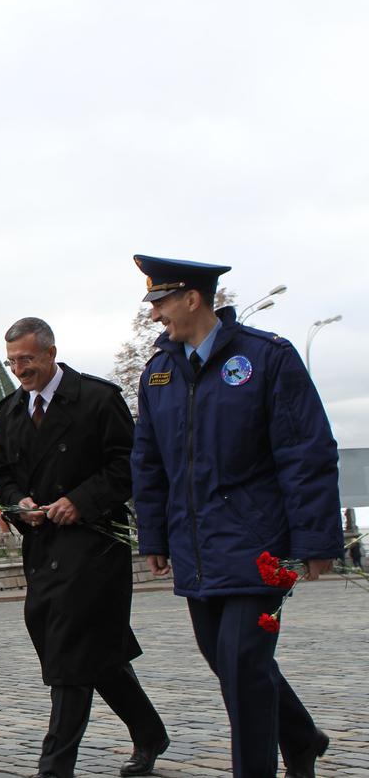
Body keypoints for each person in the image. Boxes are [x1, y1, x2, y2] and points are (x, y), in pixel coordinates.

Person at [130, 255, 342, 778]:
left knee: (244, 667)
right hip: (196, 546)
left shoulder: (266, 357)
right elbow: (149, 461)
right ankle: (300, 738)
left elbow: (305, 451)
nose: (156, 315)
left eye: (161, 302)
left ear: (193, 298)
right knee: (230, 662)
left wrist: (317, 540)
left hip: (258, 542)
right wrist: (154, 534)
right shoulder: (158, 373)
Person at [0, 318, 167, 778]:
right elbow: (3, 473)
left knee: (71, 651)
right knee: (92, 652)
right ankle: (149, 732)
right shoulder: (10, 410)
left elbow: (128, 464)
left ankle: (55, 766)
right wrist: (17, 504)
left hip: (94, 545)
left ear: (50, 352)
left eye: (26, 360)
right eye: (12, 363)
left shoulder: (97, 398)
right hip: (42, 544)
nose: (20, 371)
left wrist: (81, 501)